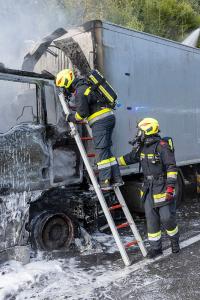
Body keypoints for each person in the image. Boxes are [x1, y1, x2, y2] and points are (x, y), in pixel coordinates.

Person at [118, 117, 180, 258]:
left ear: (148, 129)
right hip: (148, 189)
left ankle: (175, 242)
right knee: (151, 220)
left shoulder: (162, 146)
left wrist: (170, 187)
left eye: (140, 130)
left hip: (162, 187)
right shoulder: (142, 147)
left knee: (166, 218)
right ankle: (156, 248)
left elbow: (171, 167)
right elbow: (129, 158)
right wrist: (114, 162)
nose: (138, 133)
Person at [55, 68, 123, 190]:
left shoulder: (80, 91)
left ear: (66, 82)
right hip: (108, 117)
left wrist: (69, 117)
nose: (65, 90)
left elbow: (81, 114)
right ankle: (116, 178)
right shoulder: (86, 85)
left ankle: (105, 181)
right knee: (106, 149)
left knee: (101, 150)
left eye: (64, 87)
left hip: (100, 121)